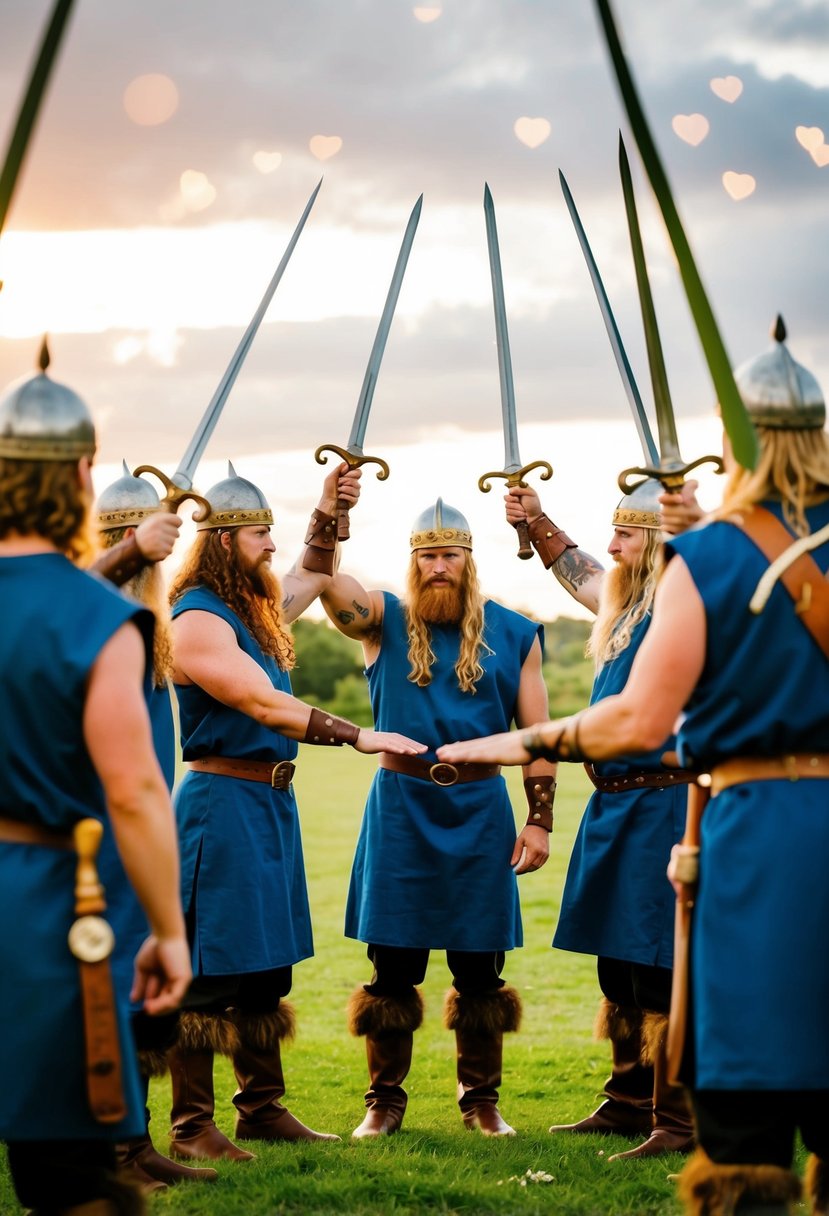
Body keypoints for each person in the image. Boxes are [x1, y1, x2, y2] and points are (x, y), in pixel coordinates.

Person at [437, 318, 829, 1216]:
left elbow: (639, 719)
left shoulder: (708, 559)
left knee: (740, 1052)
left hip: (752, 827)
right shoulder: (693, 556)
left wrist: (517, 742)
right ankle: (632, 1101)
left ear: (733, 443)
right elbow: (589, 575)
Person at [165, 461, 425, 1162]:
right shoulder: (195, 617)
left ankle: (261, 1111)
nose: (270, 547)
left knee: (261, 967)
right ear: (222, 542)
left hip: (267, 802)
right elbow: (261, 702)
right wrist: (357, 734)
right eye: (258, 535)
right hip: (221, 804)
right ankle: (192, 1125)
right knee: (211, 969)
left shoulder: (251, 611)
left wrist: (327, 509)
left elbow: (310, 573)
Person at [0, 350, 191, 1216]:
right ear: (80, 475)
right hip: (43, 911)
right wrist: (168, 932)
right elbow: (137, 793)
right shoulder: (97, 618)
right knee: (66, 1175)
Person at [320, 498, 557, 1139]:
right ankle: (383, 1103)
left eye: (450, 554)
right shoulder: (382, 620)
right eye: (426, 555)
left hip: (482, 809)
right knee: (391, 964)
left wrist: (539, 820)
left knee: (481, 966)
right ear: (413, 560)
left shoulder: (516, 631)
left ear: (470, 560)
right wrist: (328, 516)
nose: (438, 566)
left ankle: (481, 1101)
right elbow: (328, 585)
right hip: (401, 806)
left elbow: (539, 736)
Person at [504, 476, 699, 1160]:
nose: (610, 546)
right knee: (616, 965)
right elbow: (581, 574)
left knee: (658, 964)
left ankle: (677, 1122)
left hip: (666, 801)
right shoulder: (626, 605)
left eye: (624, 534)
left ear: (654, 542)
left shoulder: (689, 608)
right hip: (614, 802)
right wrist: (535, 523)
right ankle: (627, 1100)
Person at [94, 466, 218, 1193]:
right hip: (89, 839)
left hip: (141, 837)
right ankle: (103, 1153)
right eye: (126, 541)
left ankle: (134, 1142)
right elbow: (61, 602)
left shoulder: (150, 628)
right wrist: (128, 552)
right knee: (101, 990)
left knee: (137, 991)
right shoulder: (83, 613)